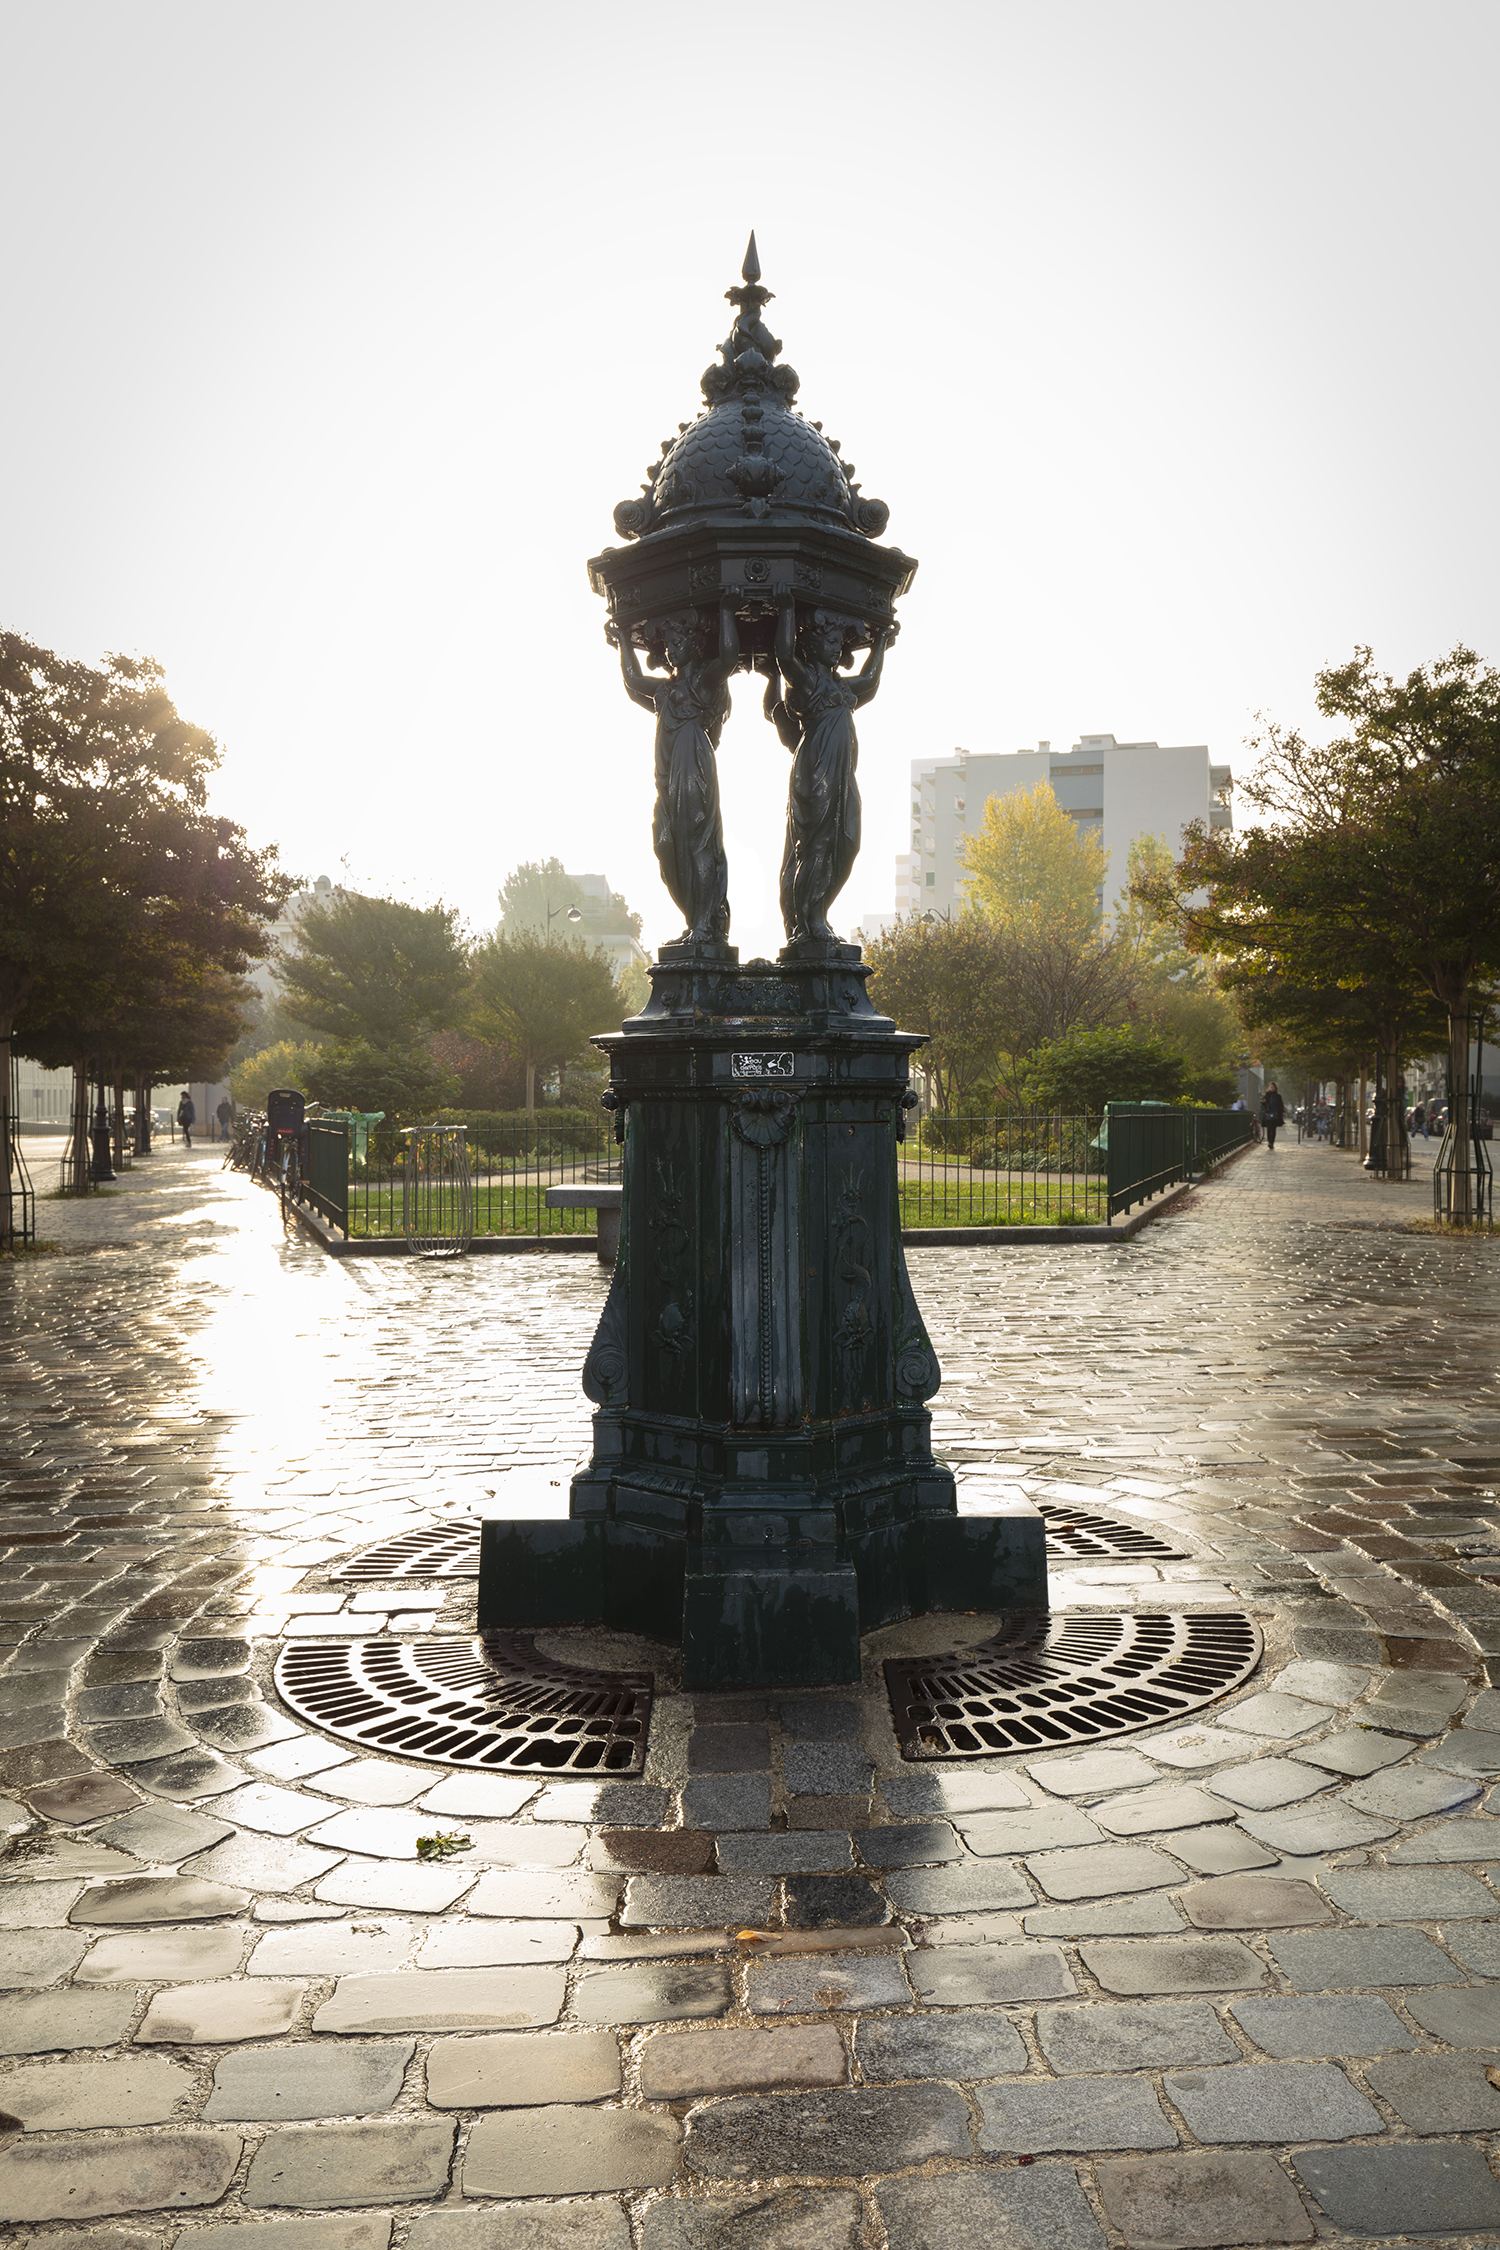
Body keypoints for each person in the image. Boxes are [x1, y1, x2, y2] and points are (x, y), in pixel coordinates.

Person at [1260, 1079, 1285, 1150]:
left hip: (1275, 1114)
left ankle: (1272, 1142)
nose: (1272, 1088)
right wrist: (1263, 1102)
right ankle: (1269, 1142)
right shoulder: (1266, 1095)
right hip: (1268, 1114)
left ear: (1275, 1088)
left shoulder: (1278, 1096)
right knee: (1269, 1128)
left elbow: (1280, 1105)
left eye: (1273, 1087)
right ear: (1269, 1088)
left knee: (1273, 1129)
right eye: (1271, 1087)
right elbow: (1264, 1106)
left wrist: (1282, 1112)